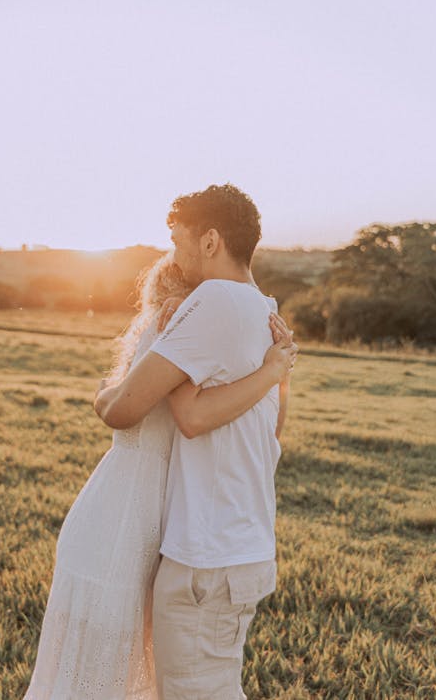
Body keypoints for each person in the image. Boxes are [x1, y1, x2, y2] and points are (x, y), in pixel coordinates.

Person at [23, 247, 296, 694]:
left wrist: (278, 374)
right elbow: (124, 409)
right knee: (98, 675)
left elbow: (265, 436)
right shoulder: (174, 338)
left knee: (137, 673)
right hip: (122, 524)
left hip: (150, 524)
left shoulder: (204, 344)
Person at [96, 183, 297, 700]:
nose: (174, 255)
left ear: (210, 241)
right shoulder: (261, 307)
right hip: (239, 547)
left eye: (179, 241)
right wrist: (278, 374)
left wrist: (103, 395)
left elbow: (127, 412)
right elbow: (268, 428)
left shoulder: (213, 299)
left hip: (208, 559)